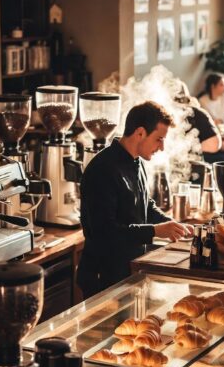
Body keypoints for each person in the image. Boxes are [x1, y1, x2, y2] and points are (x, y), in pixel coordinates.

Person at [77, 101, 193, 298]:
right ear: (140, 133)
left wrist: (170, 224)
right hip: (103, 275)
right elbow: (105, 232)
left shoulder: (136, 161)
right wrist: (155, 231)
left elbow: (145, 206)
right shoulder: (103, 170)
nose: (162, 147)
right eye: (159, 139)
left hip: (129, 269)